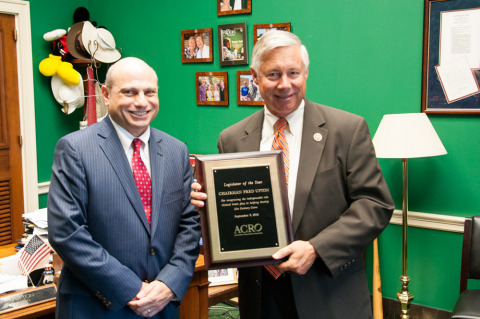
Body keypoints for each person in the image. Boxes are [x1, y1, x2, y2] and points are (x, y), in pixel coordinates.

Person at [190, 30, 394, 319]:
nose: (285, 84)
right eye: (273, 74)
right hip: (261, 296)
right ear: (255, 76)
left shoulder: (347, 130)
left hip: (329, 292)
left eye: (293, 73)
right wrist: (205, 204)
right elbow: (233, 211)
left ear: (306, 73)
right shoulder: (232, 138)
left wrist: (315, 248)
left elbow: (375, 205)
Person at [48, 57, 201, 318]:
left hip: (162, 304)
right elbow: (67, 232)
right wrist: (131, 289)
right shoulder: (75, 149)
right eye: (129, 92)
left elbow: (189, 224)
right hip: (97, 306)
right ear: (106, 95)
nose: (141, 102)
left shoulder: (177, 151)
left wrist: (168, 283)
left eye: (149, 92)